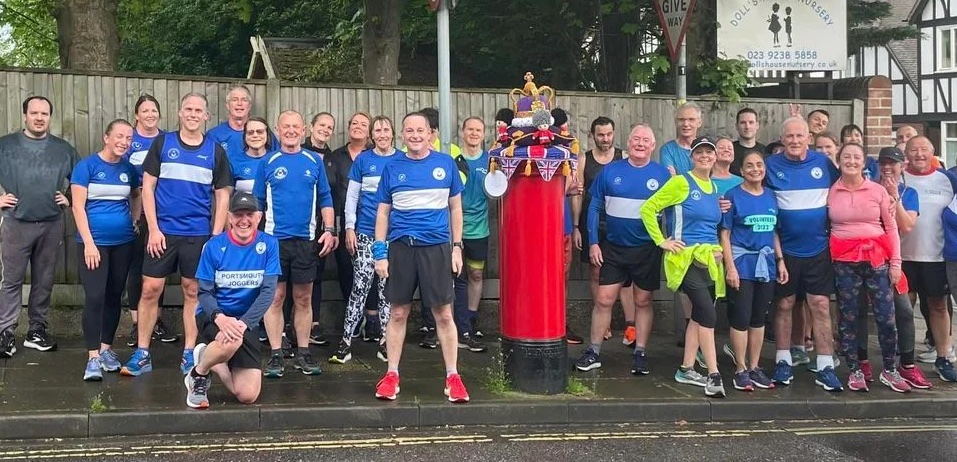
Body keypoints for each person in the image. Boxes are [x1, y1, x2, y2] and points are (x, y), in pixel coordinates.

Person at [121, 92, 232, 376]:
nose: (193, 114)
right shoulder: (163, 143)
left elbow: (223, 196)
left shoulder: (215, 151)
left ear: (206, 116)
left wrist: (216, 237)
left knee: (192, 290)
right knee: (150, 290)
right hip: (163, 233)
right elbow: (147, 188)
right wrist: (154, 229)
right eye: (188, 109)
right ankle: (142, 353)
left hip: (198, 236)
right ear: (180, 113)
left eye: (199, 110)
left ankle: (189, 352)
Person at [372, 111, 470, 403]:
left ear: (431, 134)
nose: (415, 135)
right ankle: (391, 374)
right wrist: (380, 252)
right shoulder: (392, 168)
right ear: (402, 135)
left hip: (437, 248)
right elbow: (383, 212)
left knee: (444, 314)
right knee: (398, 313)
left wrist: (457, 246)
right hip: (401, 248)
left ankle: (453, 377)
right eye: (409, 131)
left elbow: (455, 209)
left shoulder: (445, 164)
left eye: (420, 130)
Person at [573, 123, 669, 374]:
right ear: (627, 143)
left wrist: (668, 240)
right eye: (636, 139)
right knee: (604, 299)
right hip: (613, 247)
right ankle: (593, 351)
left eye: (645, 140)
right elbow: (594, 207)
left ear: (653, 145)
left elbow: (674, 212)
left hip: (647, 249)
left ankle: (640, 353)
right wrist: (593, 242)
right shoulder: (610, 171)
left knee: (643, 300)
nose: (640, 143)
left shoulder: (662, 175)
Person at [640, 136, 726, 398]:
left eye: (709, 153)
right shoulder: (680, 182)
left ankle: (686, 368)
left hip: (709, 261)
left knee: (701, 315)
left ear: (715, 157)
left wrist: (718, 253)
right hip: (684, 259)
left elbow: (713, 228)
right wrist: (661, 241)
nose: (704, 156)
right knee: (708, 315)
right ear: (692, 156)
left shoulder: (714, 188)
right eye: (699, 152)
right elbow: (648, 208)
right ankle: (714, 374)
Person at [256, 111, 338, 378]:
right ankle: (276, 354)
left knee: (303, 298)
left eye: (295, 127)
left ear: (303, 130)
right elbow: (257, 204)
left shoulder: (313, 161)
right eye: (285, 127)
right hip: (275, 242)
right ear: (278, 131)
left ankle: (304, 352)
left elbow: (325, 197)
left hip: (305, 241)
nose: (290, 131)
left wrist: (329, 230)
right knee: (276, 297)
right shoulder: (268, 162)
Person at [764, 117, 843, 392]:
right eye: (790, 136)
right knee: (785, 304)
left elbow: (844, 190)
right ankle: (783, 359)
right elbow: (753, 193)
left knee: (820, 305)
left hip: (819, 249)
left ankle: (825, 365)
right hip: (785, 250)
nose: (795, 141)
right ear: (782, 139)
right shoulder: (771, 166)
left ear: (809, 137)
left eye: (800, 136)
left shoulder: (823, 164)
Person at [184, 192, 281, 408]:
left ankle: (208, 358)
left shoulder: (270, 245)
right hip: (214, 316)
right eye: (238, 214)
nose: (243, 220)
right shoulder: (213, 246)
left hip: (245, 321)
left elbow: (268, 292)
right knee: (232, 342)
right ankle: (198, 375)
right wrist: (220, 318)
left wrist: (244, 323)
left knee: (247, 395)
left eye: (249, 214)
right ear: (229, 217)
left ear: (259, 217)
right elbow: (204, 293)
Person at [827, 142, 910, 393]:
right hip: (844, 262)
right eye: (846, 157)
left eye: (857, 157)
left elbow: (892, 227)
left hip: (877, 260)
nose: (851, 161)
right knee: (849, 317)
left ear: (864, 163)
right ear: (839, 161)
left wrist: (895, 263)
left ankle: (890, 369)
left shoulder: (877, 191)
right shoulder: (831, 191)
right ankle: (854, 370)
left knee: (887, 318)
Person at [0, 96, 77, 357]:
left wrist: (69, 198)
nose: (39, 118)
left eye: (44, 113)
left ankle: (36, 330)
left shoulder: (63, 149)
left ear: (49, 117)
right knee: (11, 281)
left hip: (51, 223)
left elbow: (80, 181)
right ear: (25, 116)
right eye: (34, 113)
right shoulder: (5, 146)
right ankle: (6, 333)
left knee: (44, 281)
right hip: (15, 223)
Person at [853, 146, 931, 389]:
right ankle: (862, 360)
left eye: (893, 164)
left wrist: (893, 196)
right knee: (859, 310)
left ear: (903, 166)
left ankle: (907, 364)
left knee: (904, 311)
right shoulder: (866, 188)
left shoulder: (909, 193)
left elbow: (906, 225)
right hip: (860, 257)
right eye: (883, 164)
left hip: (890, 260)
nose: (887, 168)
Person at [72, 119, 141, 381]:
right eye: (119, 137)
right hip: (94, 245)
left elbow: (136, 195)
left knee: (114, 296)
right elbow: (77, 207)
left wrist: (135, 221)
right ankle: (92, 358)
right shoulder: (86, 166)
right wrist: (89, 243)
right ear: (106, 137)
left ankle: (106, 350)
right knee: (95, 297)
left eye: (128, 138)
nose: (124, 142)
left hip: (123, 243)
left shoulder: (128, 169)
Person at [331, 115, 400, 364]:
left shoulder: (401, 159)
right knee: (359, 288)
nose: (382, 134)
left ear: (393, 133)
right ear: (372, 135)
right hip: (365, 234)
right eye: (377, 131)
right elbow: (351, 198)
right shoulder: (363, 160)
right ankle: (346, 341)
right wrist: (349, 228)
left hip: (393, 237)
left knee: (387, 292)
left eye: (386, 129)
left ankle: (385, 342)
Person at [720, 150, 786, 391]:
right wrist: (730, 268)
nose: (755, 169)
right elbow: (725, 235)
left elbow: (774, 232)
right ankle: (740, 369)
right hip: (742, 265)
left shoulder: (771, 196)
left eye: (759, 165)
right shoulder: (733, 196)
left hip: (766, 266)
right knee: (741, 318)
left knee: (759, 319)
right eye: (749, 165)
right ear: (741, 170)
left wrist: (780, 261)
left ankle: (755, 366)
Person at [571, 117, 634, 345]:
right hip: (592, 223)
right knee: (596, 273)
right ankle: (603, 322)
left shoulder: (625, 157)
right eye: (600, 135)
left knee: (626, 276)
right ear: (593, 135)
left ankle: (630, 325)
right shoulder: (583, 160)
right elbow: (576, 193)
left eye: (608, 134)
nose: (605, 139)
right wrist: (576, 226)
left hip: (621, 224)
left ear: (614, 133)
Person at [123, 94, 176, 348]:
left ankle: (156, 321)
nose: (150, 114)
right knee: (137, 268)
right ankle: (137, 323)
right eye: (145, 110)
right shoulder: (128, 141)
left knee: (158, 270)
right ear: (136, 115)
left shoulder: (167, 140)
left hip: (162, 214)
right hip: (134, 214)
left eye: (154, 110)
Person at [903, 136, 957, 382]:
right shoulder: (900, 177)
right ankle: (904, 359)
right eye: (913, 150)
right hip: (902, 256)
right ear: (906, 153)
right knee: (904, 309)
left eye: (924, 149)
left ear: (933, 152)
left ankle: (943, 356)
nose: (919, 154)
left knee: (937, 306)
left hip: (935, 256)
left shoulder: (947, 179)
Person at [328, 112, 376, 342]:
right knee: (347, 270)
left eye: (363, 124)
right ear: (348, 128)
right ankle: (353, 318)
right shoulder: (336, 156)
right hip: (342, 223)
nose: (358, 127)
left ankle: (373, 317)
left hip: (371, 222)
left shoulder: (376, 155)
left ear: (370, 131)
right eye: (354, 123)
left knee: (376, 271)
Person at [452, 117, 490, 352]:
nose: (474, 134)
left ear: (483, 135)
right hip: (453, 227)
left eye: (478, 130)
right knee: (456, 275)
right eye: (470, 130)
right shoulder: (453, 159)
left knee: (475, 274)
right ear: (462, 132)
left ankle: (471, 319)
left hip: (479, 228)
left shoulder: (490, 161)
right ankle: (459, 325)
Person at [300, 112, 336, 346]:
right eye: (321, 125)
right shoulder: (298, 151)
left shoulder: (335, 158)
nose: (325, 129)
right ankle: (287, 327)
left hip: (322, 226)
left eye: (330, 127)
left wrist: (332, 228)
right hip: (296, 224)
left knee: (315, 276)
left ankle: (312, 324)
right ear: (310, 127)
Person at [207, 85, 276, 158]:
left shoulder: (262, 134)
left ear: (249, 106)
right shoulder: (214, 135)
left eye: (244, 100)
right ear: (227, 105)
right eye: (235, 99)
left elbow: (277, 158)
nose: (239, 103)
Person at [229, 117, 273, 194]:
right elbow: (225, 193)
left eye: (260, 132)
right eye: (250, 132)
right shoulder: (233, 162)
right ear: (245, 136)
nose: (255, 135)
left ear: (267, 134)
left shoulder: (276, 160)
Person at [660, 102, 703, 176]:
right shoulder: (667, 149)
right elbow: (670, 179)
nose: (686, 124)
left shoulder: (706, 148)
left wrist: (677, 177)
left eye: (691, 119)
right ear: (676, 122)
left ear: (699, 122)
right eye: (681, 119)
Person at [730, 108, 765, 176]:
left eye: (751, 122)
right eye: (743, 123)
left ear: (757, 125)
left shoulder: (766, 152)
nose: (747, 126)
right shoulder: (729, 151)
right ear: (737, 126)